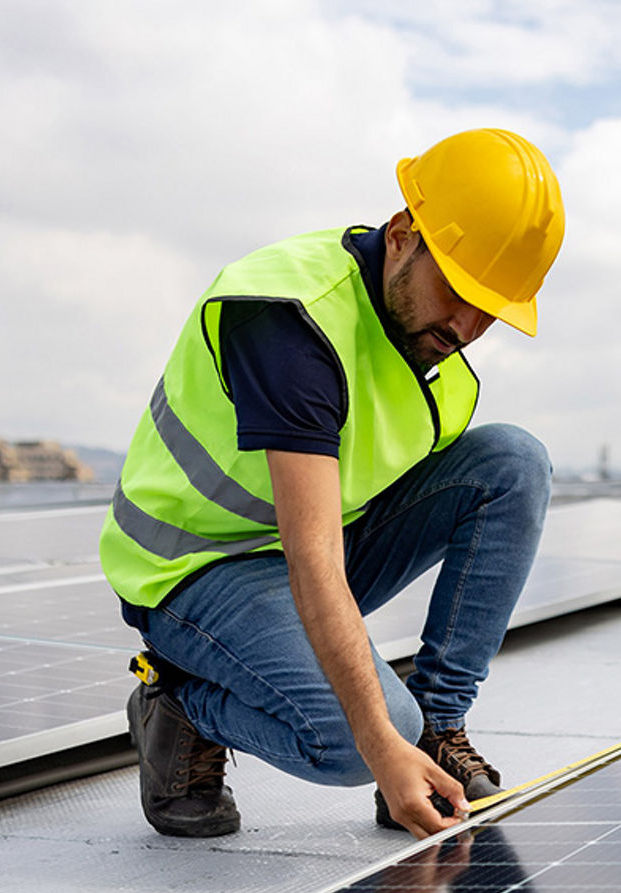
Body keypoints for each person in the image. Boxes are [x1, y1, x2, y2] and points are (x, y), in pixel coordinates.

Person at [99, 128, 564, 840]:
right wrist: (382, 744)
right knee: (357, 740)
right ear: (405, 233)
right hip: (192, 571)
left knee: (513, 461)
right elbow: (314, 559)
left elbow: (346, 528)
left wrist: (405, 738)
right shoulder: (291, 319)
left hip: (303, 552)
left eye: (492, 310)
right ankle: (183, 705)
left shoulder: (434, 350)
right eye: (460, 291)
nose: (468, 326)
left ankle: (436, 730)